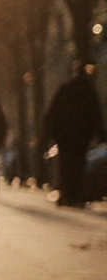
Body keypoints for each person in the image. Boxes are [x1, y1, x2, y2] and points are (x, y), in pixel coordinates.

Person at [43, 61, 105, 207]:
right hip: (82, 137)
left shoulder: (65, 90)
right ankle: (75, 195)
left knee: (65, 165)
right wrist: (100, 134)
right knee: (78, 164)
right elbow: (96, 115)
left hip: (64, 136)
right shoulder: (89, 92)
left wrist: (49, 134)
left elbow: (52, 114)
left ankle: (65, 192)